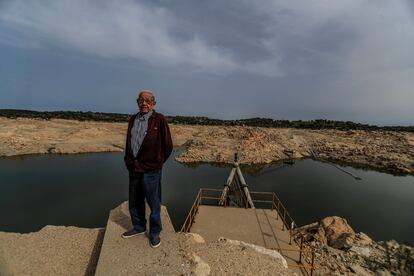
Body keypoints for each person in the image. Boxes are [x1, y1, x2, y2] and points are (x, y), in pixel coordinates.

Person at [122, 90, 173, 248]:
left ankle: (155, 232)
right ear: (137, 102)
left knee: (154, 202)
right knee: (135, 200)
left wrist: (157, 162)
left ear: (153, 104)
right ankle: (138, 227)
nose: (144, 103)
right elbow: (129, 142)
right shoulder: (133, 119)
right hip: (134, 168)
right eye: (141, 100)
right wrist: (129, 160)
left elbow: (168, 146)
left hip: (151, 169)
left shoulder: (159, 120)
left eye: (148, 101)